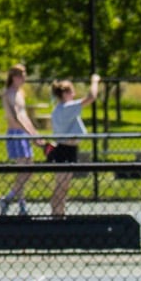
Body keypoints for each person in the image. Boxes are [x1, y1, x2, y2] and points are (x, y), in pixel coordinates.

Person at [0, 63, 41, 215]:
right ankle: (17, 201)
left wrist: (35, 133)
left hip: (23, 133)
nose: (24, 78)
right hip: (15, 133)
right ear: (14, 77)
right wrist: (31, 134)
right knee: (23, 168)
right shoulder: (9, 93)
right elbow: (16, 117)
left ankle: (13, 199)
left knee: (29, 167)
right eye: (22, 75)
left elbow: (25, 116)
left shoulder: (20, 93)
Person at [44, 77, 88, 218]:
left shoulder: (62, 109)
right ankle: (56, 212)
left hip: (70, 149)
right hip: (64, 150)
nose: (73, 95)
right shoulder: (66, 108)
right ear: (64, 94)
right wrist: (95, 81)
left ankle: (59, 212)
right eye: (71, 91)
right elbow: (91, 97)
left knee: (64, 185)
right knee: (61, 185)